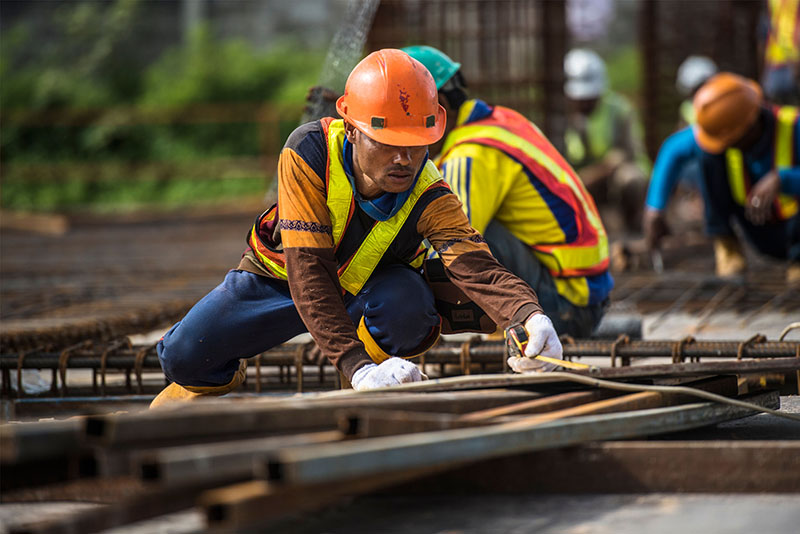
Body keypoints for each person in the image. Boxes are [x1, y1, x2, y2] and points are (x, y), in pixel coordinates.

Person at [151, 49, 565, 407]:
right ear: (351, 129)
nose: (404, 159)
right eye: (388, 143)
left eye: (416, 143)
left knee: (408, 303)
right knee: (184, 357)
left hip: (369, 291)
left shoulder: (429, 189)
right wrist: (355, 365)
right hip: (283, 279)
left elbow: (475, 265)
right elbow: (308, 271)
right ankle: (356, 372)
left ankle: (373, 376)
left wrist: (529, 316)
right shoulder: (308, 151)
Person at [402, 45, 612, 339]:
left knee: (452, 236)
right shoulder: (503, 120)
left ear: (440, 111)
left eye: (408, 121)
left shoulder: (470, 155)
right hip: (585, 297)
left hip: (563, 307)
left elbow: (446, 250)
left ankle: (509, 328)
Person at [643, 73, 800, 281]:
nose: (726, 145)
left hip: (796, 225)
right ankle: (726, 246)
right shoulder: (722, 131)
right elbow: (672, 149)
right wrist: (655, 209)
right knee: (708, 155)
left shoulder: (793, 125)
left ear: (749, 128)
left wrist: (781, 179)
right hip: (759, 227)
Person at [563, 48, 651, 232]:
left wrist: (586, 178)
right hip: (583, 179)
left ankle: (633, 227)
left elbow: (623, 155)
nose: (585, 103)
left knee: (631, 179)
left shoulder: (619, 110)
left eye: (590, 98)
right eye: (581, 99)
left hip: (614, 176)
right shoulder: (566, 116)